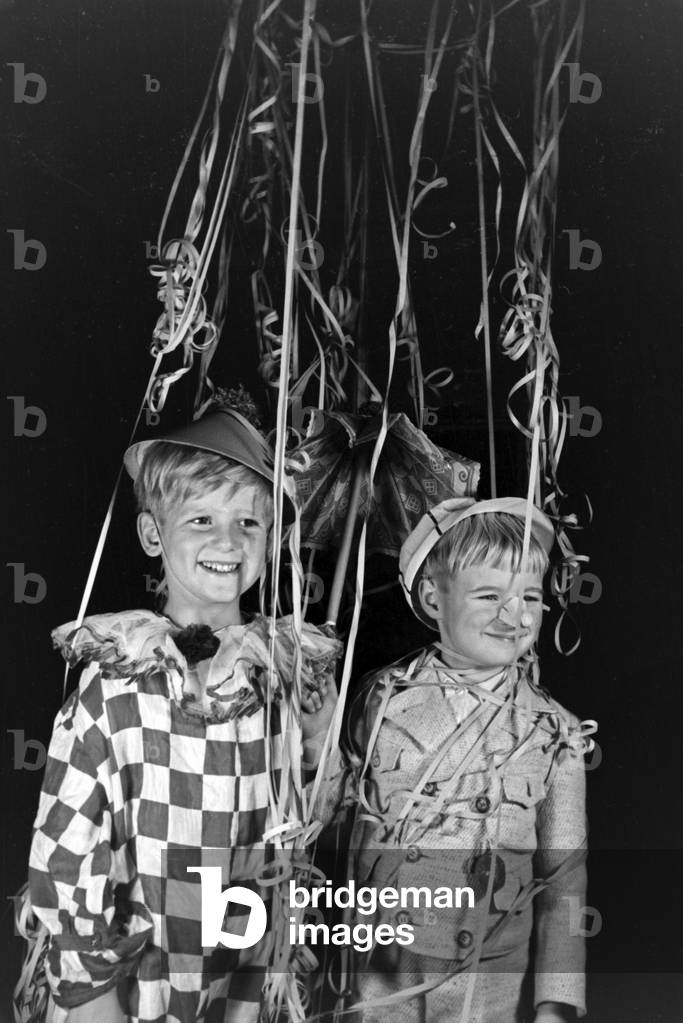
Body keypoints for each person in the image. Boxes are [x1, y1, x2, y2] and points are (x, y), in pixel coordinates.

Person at [24, 409, 341, 1023]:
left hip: (244, 984)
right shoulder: (118, 675)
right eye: (202, 520)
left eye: (249, 522)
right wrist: (92, 999)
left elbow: (309, 826)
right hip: (142, 988)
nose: (229, 543)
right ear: (151, 534)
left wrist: (320, 738)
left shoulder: (281, 672)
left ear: (272, 536)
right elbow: (65, 843)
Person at [344, 497, 595, 1023]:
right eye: (489, 595)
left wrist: (557, 1004)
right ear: (434, 599)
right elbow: (336, 821)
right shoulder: (379, 701)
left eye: (529, 595)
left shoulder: (554, 734)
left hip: (482, 992)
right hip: (379, 979)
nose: (516, 615)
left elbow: (564, 882)